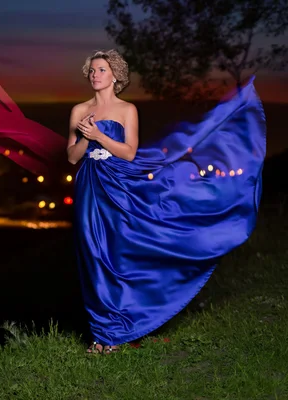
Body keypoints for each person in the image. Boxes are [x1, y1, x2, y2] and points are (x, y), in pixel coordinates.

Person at [67, 50, 266, 354]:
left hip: (120, 185)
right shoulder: (79, 110)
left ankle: (120, 329)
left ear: (115, 75)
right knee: (93, 256)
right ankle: (101, 335)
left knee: (119, 255)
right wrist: (84, 137)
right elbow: (71, 157)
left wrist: (98, 135)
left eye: (101, 70)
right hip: (90, 186)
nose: (95, 75)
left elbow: (129, 153)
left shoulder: (127, 110)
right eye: (92, 70)